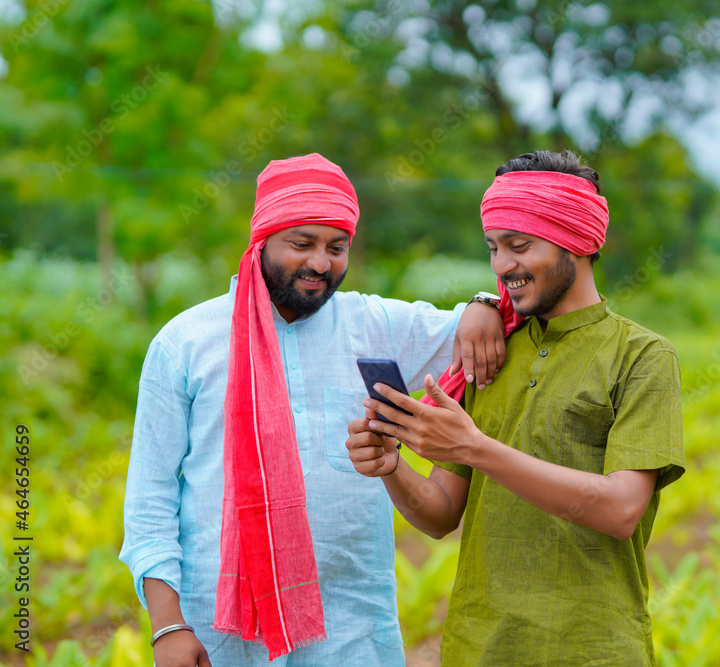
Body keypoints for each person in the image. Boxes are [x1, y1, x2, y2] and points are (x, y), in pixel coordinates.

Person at [119, 153, 505, 666]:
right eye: (301, 243)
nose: (321, 263)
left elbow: (474, 330)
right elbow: (150, 506)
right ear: (260, 242)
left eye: (336, 246)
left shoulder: (374, 324)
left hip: (351, 625)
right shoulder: (186, 344)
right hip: (220, 631)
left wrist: (484, 303)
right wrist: (169, 626)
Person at [346, 150, 685, 666]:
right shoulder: (490, 350)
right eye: (494, 247)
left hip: (593, 649)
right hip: (477, 648)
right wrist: (392, 467)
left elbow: (620, 509)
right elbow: (440, 514)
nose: (504, 266)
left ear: (578, 240)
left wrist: (475, 448)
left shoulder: (641, 356)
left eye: (519, 245)